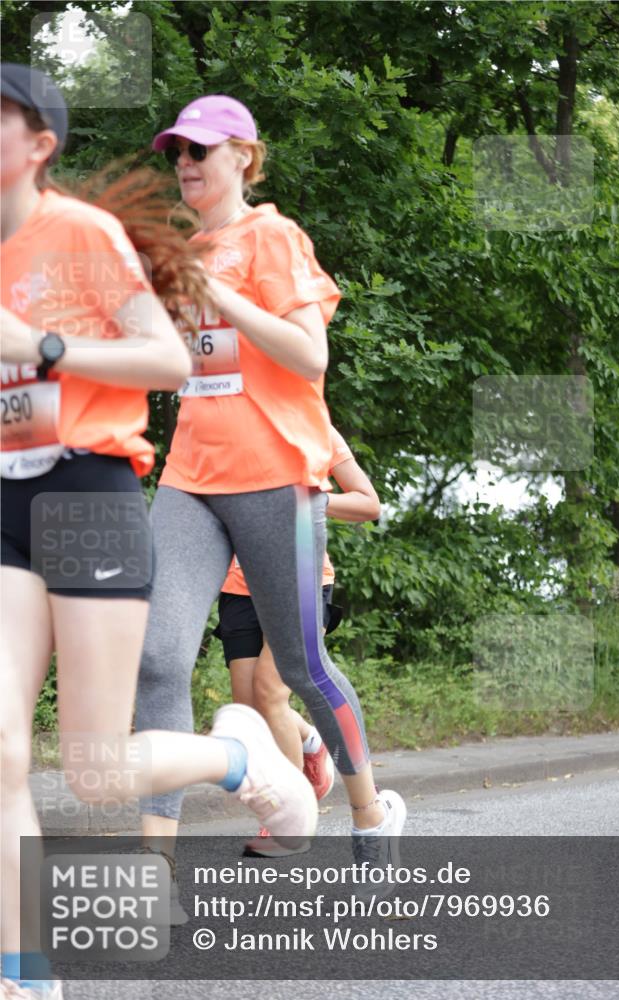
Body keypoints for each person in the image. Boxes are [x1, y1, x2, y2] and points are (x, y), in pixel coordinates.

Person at [0, 65, 316, 1000]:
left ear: (38, 145)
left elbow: (168, 360)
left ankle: (242, 757)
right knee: (3, 753)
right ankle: (27, 972)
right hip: (4, 502)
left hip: (86, 491)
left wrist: (44, 347)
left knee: (94, 771)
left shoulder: (80, 234)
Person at [135, 93, 407, 902]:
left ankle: (367, 813)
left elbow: (309, 355)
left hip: (275, 473)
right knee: (155, 657)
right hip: (190, 475)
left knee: (300, 664)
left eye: (200, 151)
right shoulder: (185, 248)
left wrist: (221, 298)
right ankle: (154, 870)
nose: (185, 164)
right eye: (176, 152)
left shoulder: (272, 236)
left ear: (243, 158)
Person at [215, 426, 382, 857]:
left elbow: (368, 503)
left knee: (271, 692)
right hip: (239, 583)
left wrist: (310, 502)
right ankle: (310, 740)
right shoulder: (228, 425)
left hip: (301, 575)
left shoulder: (315, 427)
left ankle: (291, 821)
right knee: (249, 708)